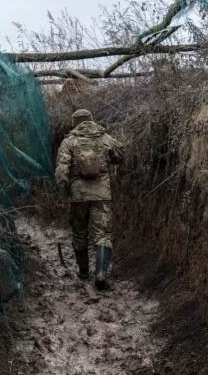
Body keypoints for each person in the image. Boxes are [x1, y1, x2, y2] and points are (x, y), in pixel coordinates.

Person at [55, 109, 123, 291]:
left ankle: (84, 272)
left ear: (75, 122)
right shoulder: (105, 138)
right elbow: (120, 156)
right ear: (91, 120)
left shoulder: (69, 141)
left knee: (79, 232)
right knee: (103, 233)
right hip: (102, 195)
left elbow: (62, 171)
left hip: (78, 196)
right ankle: (101, 273)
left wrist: (62, 193)